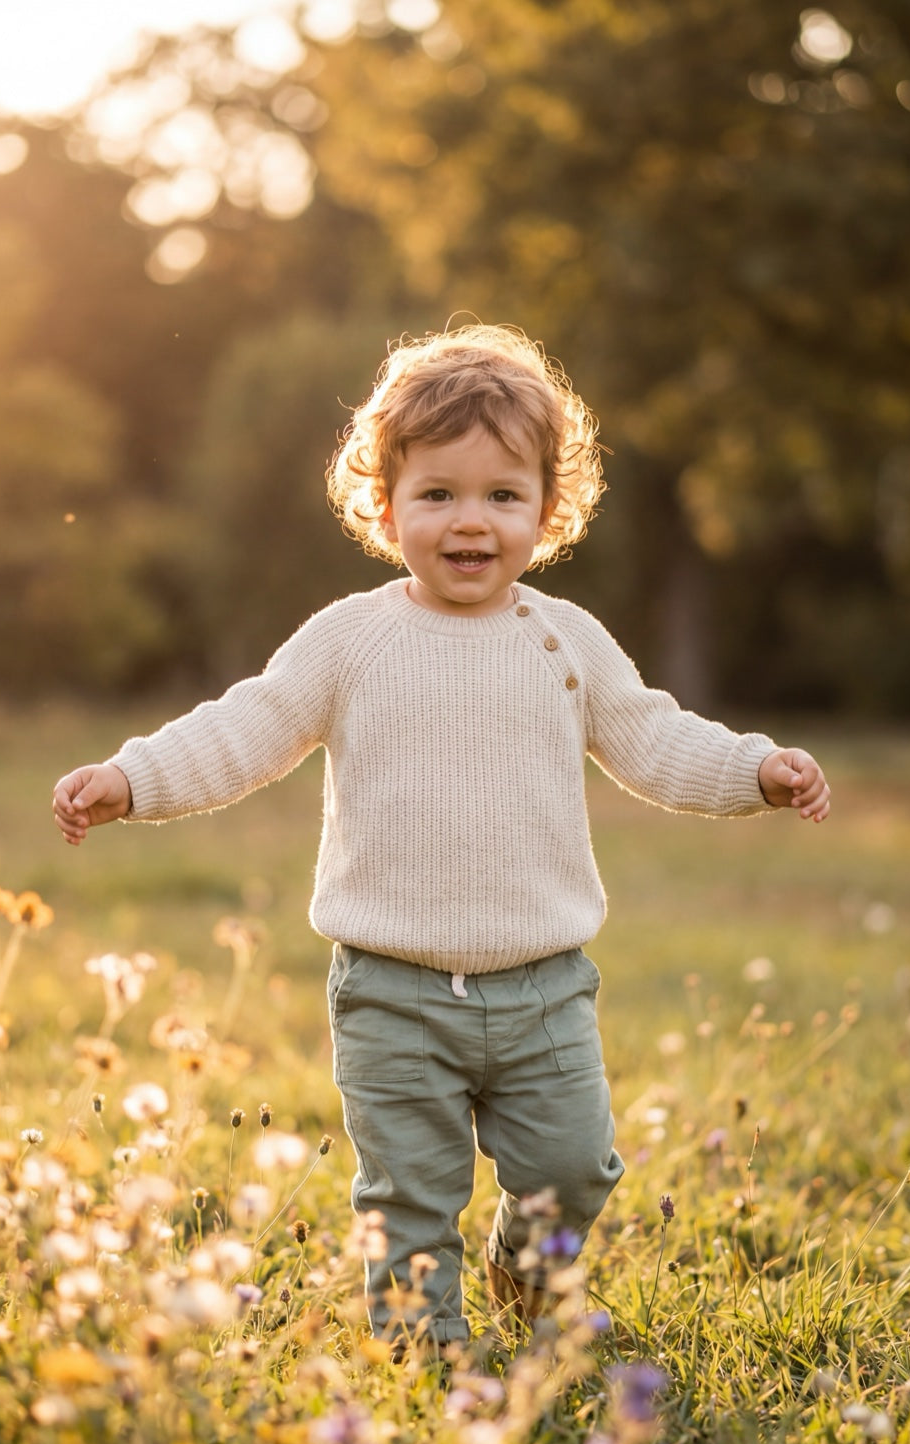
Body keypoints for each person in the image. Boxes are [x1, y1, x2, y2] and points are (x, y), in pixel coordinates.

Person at [53, 324, 829, 1351]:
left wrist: (754, 771)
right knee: (411, 1190)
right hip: (391, 989)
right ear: (385, 504)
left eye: (503, 496)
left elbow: (652, 737)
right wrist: (132, 777)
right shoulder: (350, 640)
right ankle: (424, 1348)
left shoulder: (566, 641)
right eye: (439, 494)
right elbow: (246, 724)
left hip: (544, 984)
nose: (472, 521)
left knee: (573, 1166)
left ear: (548, 512)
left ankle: (521, 1264)